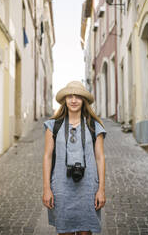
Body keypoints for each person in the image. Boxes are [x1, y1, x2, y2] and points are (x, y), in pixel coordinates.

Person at [42, 81, 106, 235]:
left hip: (88, 187)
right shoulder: (53, 126)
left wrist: (101, 189)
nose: (74, 100)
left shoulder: (94, 126)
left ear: (84, 100)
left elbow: (100, 158)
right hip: (61, 188)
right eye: (70, 96)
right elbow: (47, 157)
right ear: (65, 100)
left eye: (78, 96)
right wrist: (46, 189)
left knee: (86, 231)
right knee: (65, 231)